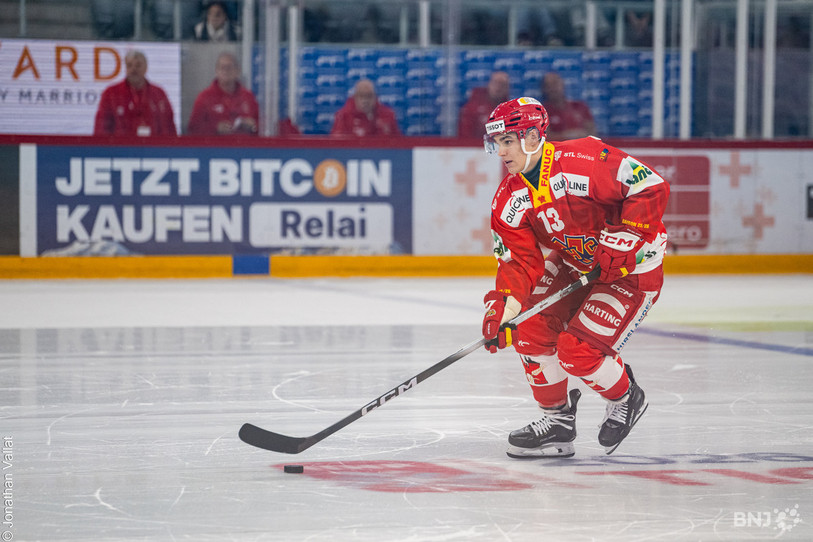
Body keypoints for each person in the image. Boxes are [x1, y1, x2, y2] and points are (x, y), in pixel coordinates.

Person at [480, 97, 669, 458]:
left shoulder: (583, 160)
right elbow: (519, 263)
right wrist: (504, 308)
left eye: (508, 141)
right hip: (578, 264)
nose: (502, 152)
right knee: (527, 325)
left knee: (576, 351)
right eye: (497, 143)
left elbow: (649, 185)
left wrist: (626, 236)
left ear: (533, 137)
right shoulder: (508, 197)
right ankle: (557, 422)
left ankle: (627, 396)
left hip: (630, 271)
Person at [93, 50, 176, 137]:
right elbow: (101, 128)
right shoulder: (111, 94)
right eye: (129, 65)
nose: (133, 69)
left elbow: (169, 127)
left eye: (138, 65)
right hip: (120, 148)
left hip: (154, 148)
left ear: (146, 67)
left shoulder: (159, 94)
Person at [330, 79, 400, 137]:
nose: (365, 100)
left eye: (369, 96)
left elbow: (397, 144)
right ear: (355, 97)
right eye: (361, 96)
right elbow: (337, 146)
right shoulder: (343, 116)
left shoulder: (388, 115)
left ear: (375, 97)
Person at [540, 72, 595, 140]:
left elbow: (593, 134)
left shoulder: (580, 107)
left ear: (563, 84)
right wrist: (569, 135)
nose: (553, 88)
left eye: (555, 83)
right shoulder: (541, 112)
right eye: (548, 85)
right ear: (544, 89)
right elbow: (545, 138)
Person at [457, 71, 510, 139]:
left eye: (502, 84)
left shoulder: (511, 110)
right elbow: (465, 136)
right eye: (495, 83)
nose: (498, 87)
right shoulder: (473, 106)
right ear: (489, 84)